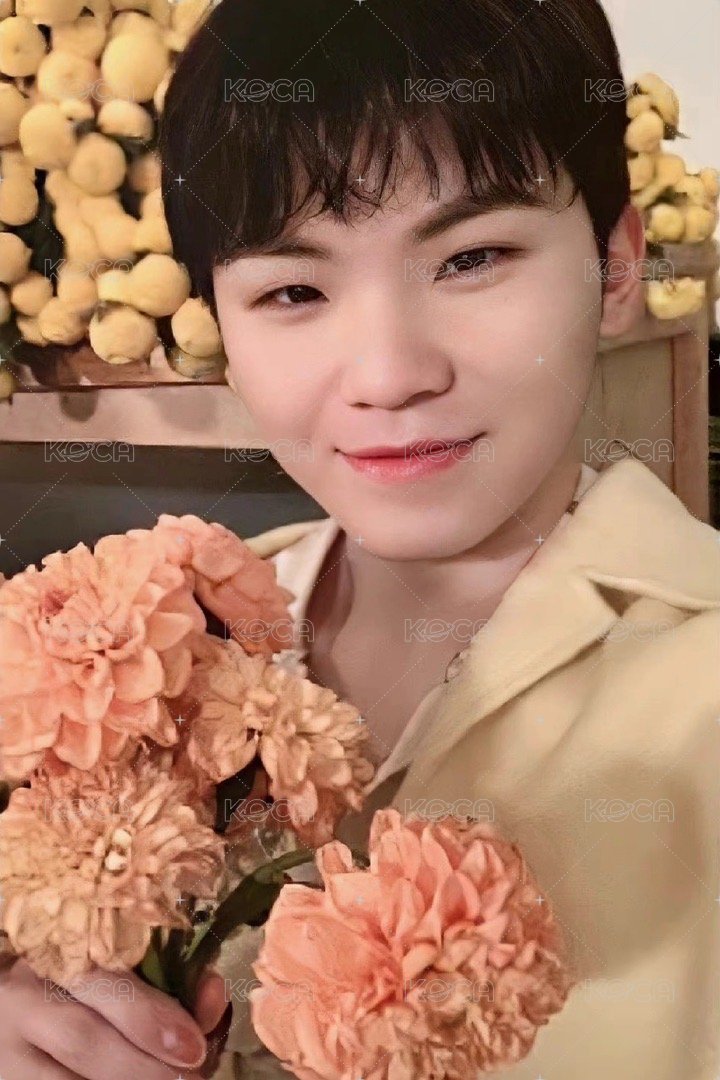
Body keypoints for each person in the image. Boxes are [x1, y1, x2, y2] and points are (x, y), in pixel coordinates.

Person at [1, 0, 719, 1077]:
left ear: (616, 267)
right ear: (218, 323)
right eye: (294, 289)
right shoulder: (169, 647)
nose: (389, 375)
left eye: (472, 258)